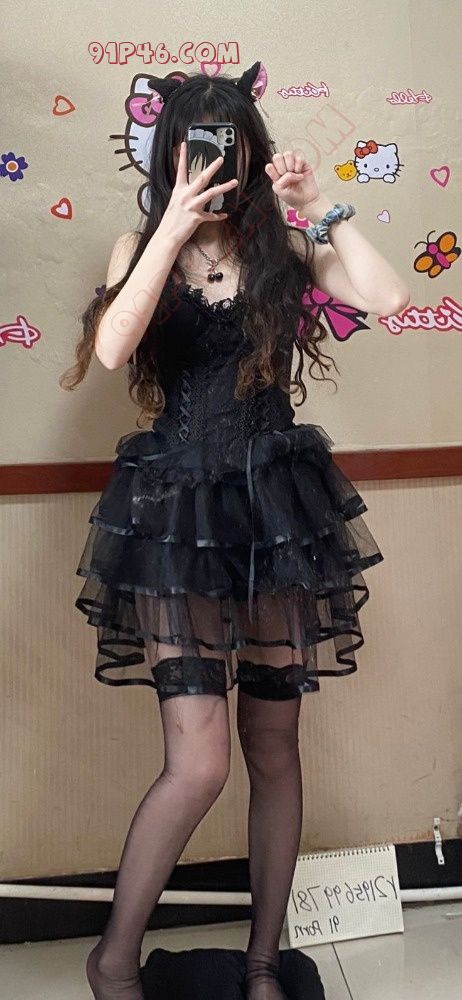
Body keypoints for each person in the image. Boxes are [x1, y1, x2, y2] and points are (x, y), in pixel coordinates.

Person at [60, 61, 408, 1000]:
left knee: (275, 747)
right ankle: (112, 960)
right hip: (179, 519)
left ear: (251, 153)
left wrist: (319, 206)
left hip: (277, 513)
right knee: (200, 763)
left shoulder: (282, 247)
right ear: (170, 156)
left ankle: (262, 967)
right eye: (194, 145)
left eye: (228, 144)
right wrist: (173, 225)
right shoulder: (139, 243)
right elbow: (113, 348)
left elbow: (386, 300)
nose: (214, 160)